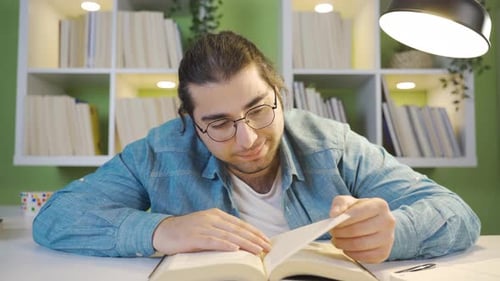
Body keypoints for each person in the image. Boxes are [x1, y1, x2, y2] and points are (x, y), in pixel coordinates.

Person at [33, 31, 480, 264]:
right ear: (189, 123)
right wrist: (161, 231)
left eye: (259, 110)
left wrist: (394, 232)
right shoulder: (158, 152)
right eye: (219, 124)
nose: (248, 139)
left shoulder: (334, 142)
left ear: (279, 93)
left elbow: (457, 214)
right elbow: (55, 218)